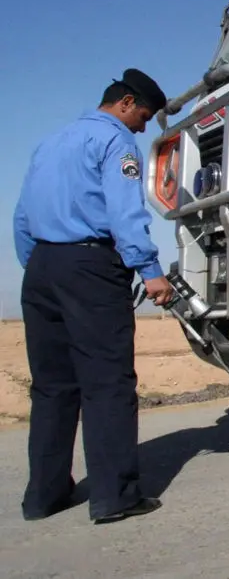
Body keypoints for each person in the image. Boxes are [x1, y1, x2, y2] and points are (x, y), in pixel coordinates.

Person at [13, 69, 175, 524]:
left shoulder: (49, 143)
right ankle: (115, 496)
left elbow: (23, 218)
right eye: (143, 116)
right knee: (107, 383)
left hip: (43, 268)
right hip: (90, 267)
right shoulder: (116, 142)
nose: (143, 127)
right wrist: (150, 269)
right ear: (126, 103)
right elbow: (126, 213)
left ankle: (43, 497)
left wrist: (44, 269)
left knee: (51, 387)